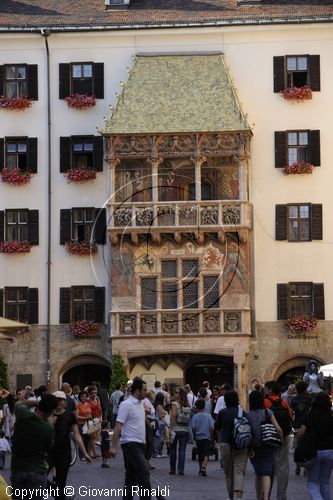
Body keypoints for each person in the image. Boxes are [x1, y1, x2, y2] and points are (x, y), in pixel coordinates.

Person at [111, 378, 153, 500]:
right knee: (144, 472)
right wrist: (113, 447)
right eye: (144, 390)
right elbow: (118, 425)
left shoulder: (141, 404)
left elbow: (149, 412)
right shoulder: (126, 404)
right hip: (130, 444)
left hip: (141, 443)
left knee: (131, 477)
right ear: (137, 391)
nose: (146, 392)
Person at [11, 394, 58, 500]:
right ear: (51, 411)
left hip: (18, 468)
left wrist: (37, 403)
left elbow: (19, 403)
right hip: (36, 470)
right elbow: (49, 447)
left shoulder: (23, 415)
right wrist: (51, 425)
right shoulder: (47, 428)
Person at [49, 391, 91, 499]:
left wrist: (85, 453)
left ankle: (60, 495)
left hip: (64, 453)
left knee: (61, 484)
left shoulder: (70, 416)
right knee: (38, 478)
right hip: (47, 452)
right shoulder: (47, 413)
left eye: (61, 400)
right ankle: (58, 493)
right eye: (56, 400)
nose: (58, 402)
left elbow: (77, 435)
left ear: (64, 401)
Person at [297, 392, 333, 500]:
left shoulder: (309, 416)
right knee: (325, 482)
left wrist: (299, 442)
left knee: (312, 482)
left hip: (313, 451)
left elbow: (301, 433)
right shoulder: (331, 417)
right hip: (330, 451)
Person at [215, 390, 248, 498]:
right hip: (240, 444)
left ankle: (231, 497)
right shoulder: (242, 412)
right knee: (239, 471)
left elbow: (217, 427)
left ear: (225, 400)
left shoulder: (222, 412)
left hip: (226, 444)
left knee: (228, 473)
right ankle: (239, 496)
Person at [264, 381, 293, 500]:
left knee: (268, 468)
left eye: (265, 389)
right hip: (284, 437)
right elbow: (290, 418)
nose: (264, 391)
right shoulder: (284, 403)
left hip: (269, 437)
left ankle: (266, 495)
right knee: (283, 467)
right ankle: (281, 495)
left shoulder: (264, 402)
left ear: (270, 390)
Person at [291, 381, 312, 475]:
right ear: (305, 388)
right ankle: (306, 468)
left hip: (297, 424)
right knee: (307, 445)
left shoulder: (294, 400)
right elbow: (311, 411)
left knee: (297, 445)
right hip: (307, 424)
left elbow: (292, 413)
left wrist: (291, 422)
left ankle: (298, 466)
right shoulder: (309, 399)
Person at [169, 387, 190, 476]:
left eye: (177, 392)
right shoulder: (187, 405)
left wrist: (170, 428)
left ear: (180, 394)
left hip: (176, 429)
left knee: (173, 449)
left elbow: (173, 416)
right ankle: (181, 470)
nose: (175, 394)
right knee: (182, 450)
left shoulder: (175, 404)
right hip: (185, 430)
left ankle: (172, 470)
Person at [191, 398, 214, 476]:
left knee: (200, 453)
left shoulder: (195, 416)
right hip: (207, 437)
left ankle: (201, 468)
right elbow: (211, 427)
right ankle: (204, 467)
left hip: (198, 437)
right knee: (206, 453)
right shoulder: (208, 416)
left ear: (197, 407)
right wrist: (211, 436)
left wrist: (194, 435)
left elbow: (193, 427)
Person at [76, 390, 92, 460]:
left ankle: (87, 454)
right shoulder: (77, 405)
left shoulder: (88, 404)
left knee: (87, 439)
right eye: (82, 397)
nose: (84, 398)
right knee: (81, 440)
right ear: (80, 397)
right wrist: (86, 417)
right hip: (80, 424)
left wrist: (90, 416)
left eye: (85, 397)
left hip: (88, 424)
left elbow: (90, 413)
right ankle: (81, 455)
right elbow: (76, 416)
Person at [87, 385, 102, 459]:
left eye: (95, 393)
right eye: (93, 393)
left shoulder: (97, 399)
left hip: (98, 419)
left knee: (94, 438)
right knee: (92, 437)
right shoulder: (87, 400)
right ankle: (94, 453)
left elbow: (100, 408)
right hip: (91, 420)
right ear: (89, 393)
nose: (94, 394)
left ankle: (89, 453)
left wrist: (100, 418)